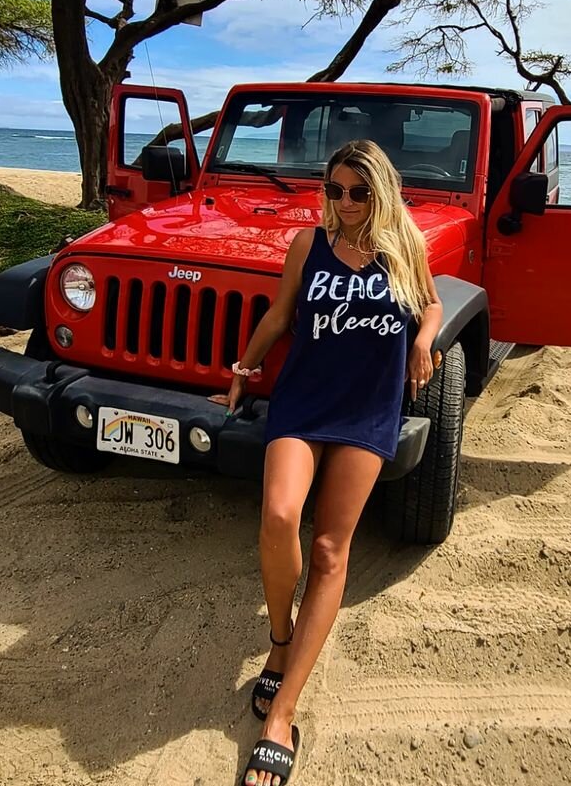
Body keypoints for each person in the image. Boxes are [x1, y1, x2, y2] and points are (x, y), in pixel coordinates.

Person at [209, 139, 443, 786]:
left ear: (381, 191)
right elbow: (281, 314)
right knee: (279, 516)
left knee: (330, 549)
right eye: (335, 190)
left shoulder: (404, 246)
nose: (345, 202)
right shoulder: (308, 245)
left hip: (368, 410)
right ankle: (280, 640)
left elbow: (430, 302)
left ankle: (282, 715)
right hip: (304, 402)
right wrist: (242, 369)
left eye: (358, 192)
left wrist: (422, 341)